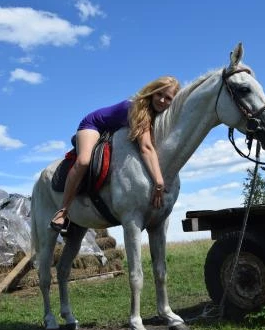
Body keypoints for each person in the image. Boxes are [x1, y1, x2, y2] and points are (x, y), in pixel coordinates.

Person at [50, 75, 180, 233]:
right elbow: (146, 147)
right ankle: (63, 211)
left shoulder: (159, 115)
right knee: (84, 160)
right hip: (94, 125)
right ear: (152, 92)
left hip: (114, 129)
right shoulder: (139, 108)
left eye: (168, 98)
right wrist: (159, 182)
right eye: (159, 94)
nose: (162, 100)